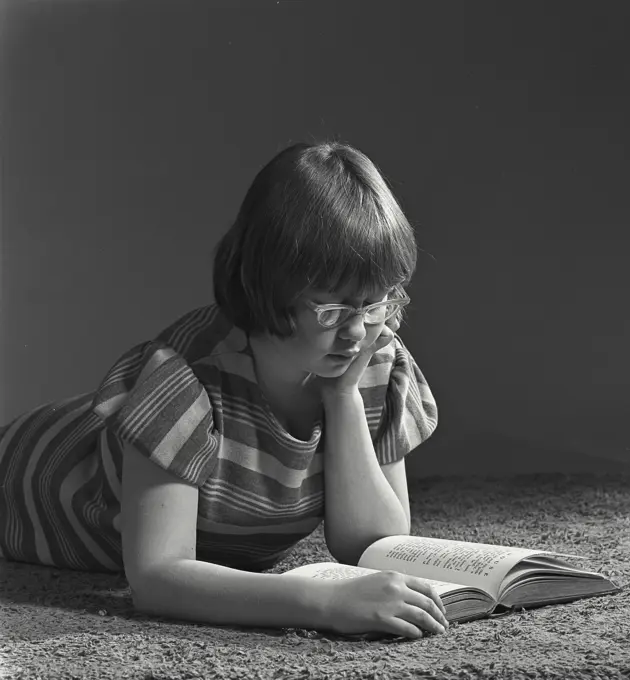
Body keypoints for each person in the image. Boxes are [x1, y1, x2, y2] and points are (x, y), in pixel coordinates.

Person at [0, 140, 446, 639]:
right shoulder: (182, 381)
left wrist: (341, 398)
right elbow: (157, 576)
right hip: (29, 475)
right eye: (333, 311)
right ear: (266, 285)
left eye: (378, 303)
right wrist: (321, 602)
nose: (358, 332)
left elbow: (372, 542)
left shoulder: (371, 358)